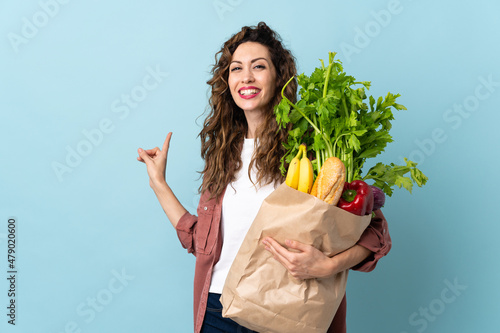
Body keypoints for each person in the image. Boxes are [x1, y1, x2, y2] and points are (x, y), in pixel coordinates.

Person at [137, 22, 391, 333]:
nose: (246, 77)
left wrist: (326, 266)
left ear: (278, 77)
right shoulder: (223, 154)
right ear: (226, 81)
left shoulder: (310, 151)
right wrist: (158, 183)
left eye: (259, 66)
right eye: (236, 69)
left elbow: (376, 234)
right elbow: (201, 241)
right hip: (218, 309)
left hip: (290, 306)